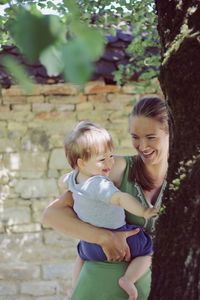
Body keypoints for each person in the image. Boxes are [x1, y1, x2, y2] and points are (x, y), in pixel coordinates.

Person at [42, 96, 170, 300]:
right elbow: (52, 214)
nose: (142, 145)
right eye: (135, 137)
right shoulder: (114, 169)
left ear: (171, 132)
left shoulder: (187, 177)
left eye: (151, 137)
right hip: (99, 289)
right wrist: (103, 237)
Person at [61, 120, 159, 300]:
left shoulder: (73, 179)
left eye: (111, 156)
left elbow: (61, 181)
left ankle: (75, 288)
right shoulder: (99, 184)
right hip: (120, 239)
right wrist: (144, 211)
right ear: (82, 163)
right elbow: (121, 198)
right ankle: (128, 280)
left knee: (80, 255)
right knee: (150, 251)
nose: (109, 163)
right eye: (101, 159)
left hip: (90, 246)